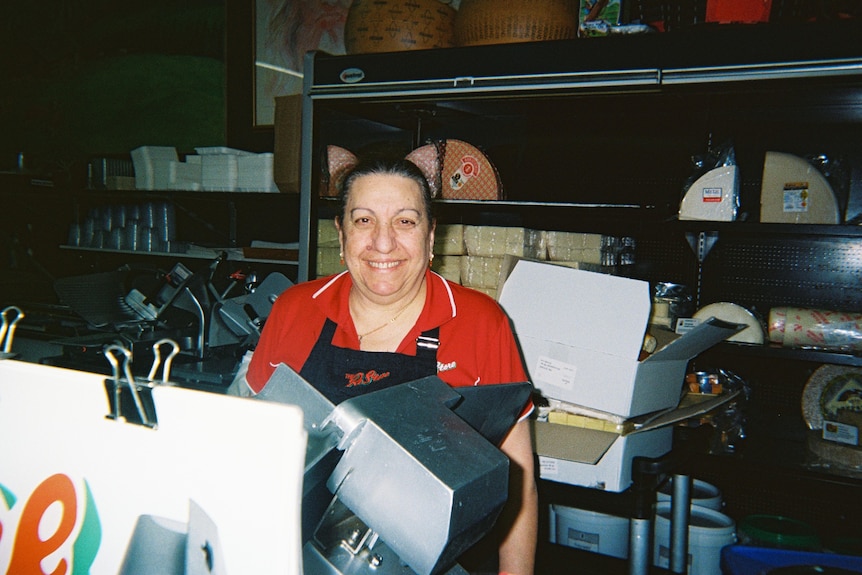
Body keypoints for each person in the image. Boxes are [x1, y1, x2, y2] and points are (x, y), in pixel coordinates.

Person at [247, 156, 538, 575]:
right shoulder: (295, 310)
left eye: (405, 222)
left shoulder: (480, 322)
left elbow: (519, 479)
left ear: (431, 235)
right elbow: (252, 453)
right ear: (341, 234)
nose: (383, 243)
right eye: (364, 220)